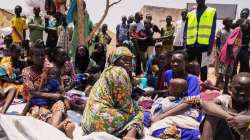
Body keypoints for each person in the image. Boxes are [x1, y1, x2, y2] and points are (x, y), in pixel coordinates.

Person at [81, 47, 144, 139]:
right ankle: (131, 134)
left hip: (88, 123)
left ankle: (121, 132)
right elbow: (124, 104)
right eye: (124, 59)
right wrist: (135, 108)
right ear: (115, 60)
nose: (128, 62)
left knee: (133, 107)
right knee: (138, 112)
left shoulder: (107, 72)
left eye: (130, 60)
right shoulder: (119, 71)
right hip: (101, 120)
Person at [22, 40, 75, 138]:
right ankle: (61, 127)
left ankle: (56, 129)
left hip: (52, 100)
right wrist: (51, 95)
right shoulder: (26, 71)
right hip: (36, 102)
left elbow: (58, 86)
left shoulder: (50, 68)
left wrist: (59, 93)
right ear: (31, 56)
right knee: (40, 112)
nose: (41, 58)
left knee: (59, 104)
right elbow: (32, 93)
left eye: (42, 55)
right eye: (37, 55)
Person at [200, 73, 250, 140]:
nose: (243, 93)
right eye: (238, 88)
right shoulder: (224, 99)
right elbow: (206, 105)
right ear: (230, 88)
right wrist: (232, 119)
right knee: (212, 115)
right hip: (223, 135)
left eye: (248, 89)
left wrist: (247, 120)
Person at [184, 0, 217, 81]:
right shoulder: (190, 14)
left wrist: (210, 46)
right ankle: (189, 85)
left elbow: (213, 30)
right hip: (190, 45)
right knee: (189, 67)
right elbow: (185, 30)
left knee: (203, 68)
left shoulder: (212, 11)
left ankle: (203, 87)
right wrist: (185, 45)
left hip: (204, 46)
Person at [218, 22, 246, 94]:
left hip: (231, 57)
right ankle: (218, 88)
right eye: (247, 24)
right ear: (242, 24)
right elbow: (230, 42)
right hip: (227, 55)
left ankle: (225, 90)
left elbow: (236, 43)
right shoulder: (237, 30)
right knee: (222, 73)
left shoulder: (241, 32)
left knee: (228, 74)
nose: (247, 25)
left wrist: (240, 46)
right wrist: (231, 53)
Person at [232, 8, 250, 73]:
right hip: (237, 47)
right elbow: (232, 26)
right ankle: (233, 79)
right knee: (234, 65)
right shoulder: (238, 21)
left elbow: (245, 26)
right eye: (243, 14)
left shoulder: (248, 22)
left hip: (244, 47)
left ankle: (242, 78)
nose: (244, 15)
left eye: (245, 14)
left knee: (244, 66)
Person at [215, 17, 232, 86]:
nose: (231, 23)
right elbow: (217, 43)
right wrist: (218, 52)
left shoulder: (232, 31)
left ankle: (225, 84)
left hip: (229, 53)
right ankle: (218, 84)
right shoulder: (220, 31)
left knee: (228, 69)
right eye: (230, 21)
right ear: (225, 23)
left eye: (231, 21)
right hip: (222, 52)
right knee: (220, 69)